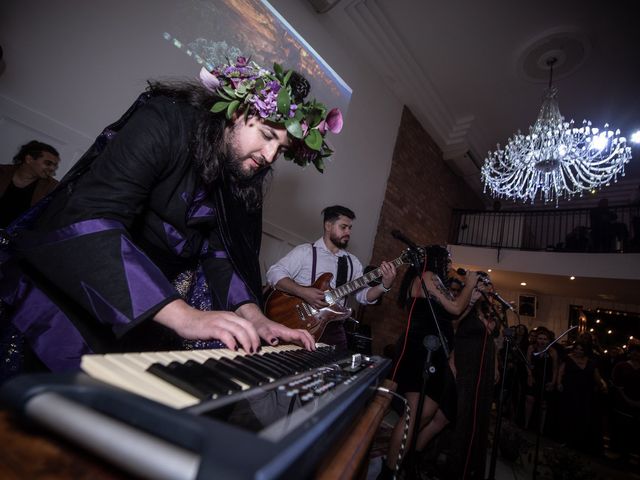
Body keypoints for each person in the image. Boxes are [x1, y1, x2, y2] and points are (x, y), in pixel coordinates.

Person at [0, 57, 344, 381]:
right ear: (237, 112)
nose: (270, 156)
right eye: (268, 136)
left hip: (145, 311)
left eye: (281, 150)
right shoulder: (164, 120)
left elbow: (219, 253)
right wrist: (182, 315)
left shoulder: (240, 173)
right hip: (72, 298)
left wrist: (257, 319)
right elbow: (93, 218)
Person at [379, 246, 480, 479]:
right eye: (447, 260)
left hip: (436, 352)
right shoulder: (426, 277)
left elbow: (452, 318)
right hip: (421, 350)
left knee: (426, 413)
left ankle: (399, 463)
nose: (449, 265)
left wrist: (471, 301)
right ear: (435, 259)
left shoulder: (435, 282)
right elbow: (454, 306)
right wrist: (470, 284)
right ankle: (388, 472)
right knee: (415, 414)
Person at [265, 205, 397, 350]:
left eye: (350, 228)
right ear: (328, 225)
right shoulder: (306, 252)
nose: (348, 232)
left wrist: (384, 285)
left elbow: (363, 296)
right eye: (343, 227)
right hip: (296, 323)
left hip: (334, 330)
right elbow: (274, 273)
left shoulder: (352, 262)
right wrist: (302, 291)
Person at [0, 140, 60, 228]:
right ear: (29, 159)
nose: (52, 168)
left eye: (55, 165)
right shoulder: (2, 172)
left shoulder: (52, 187)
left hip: (14, 238)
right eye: (48, 163)